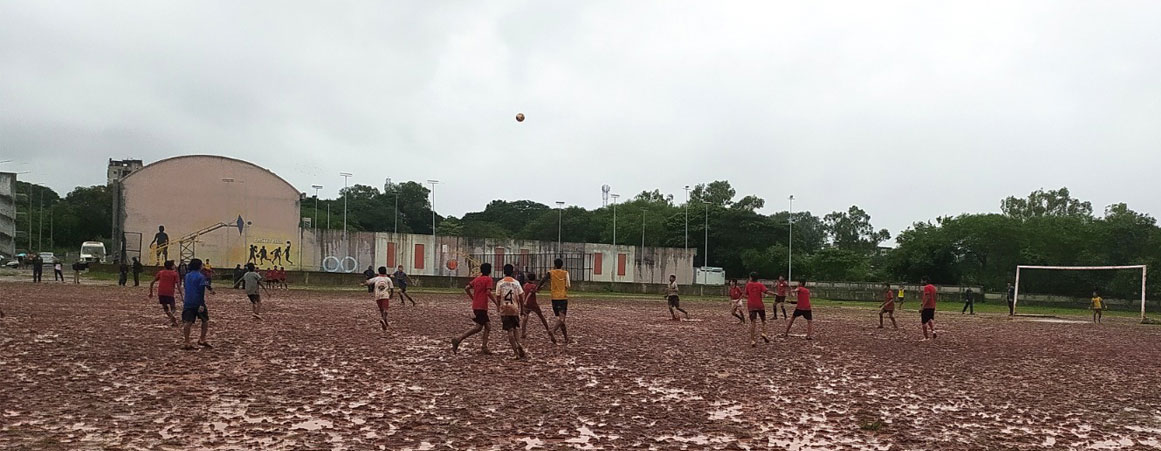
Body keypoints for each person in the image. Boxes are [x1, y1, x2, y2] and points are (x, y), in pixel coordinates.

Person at [453, 263, 497, 354]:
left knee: (485, 326)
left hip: (476, 305)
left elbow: (467, 288)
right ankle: (459, 339)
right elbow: (488, 292)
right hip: (482, 306)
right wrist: (497, 303)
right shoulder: (488, 279)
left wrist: (473, 298)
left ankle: (484, 347)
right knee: (480, 327)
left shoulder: (477, 279)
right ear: (489, 270)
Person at [181, 259, 215, 350]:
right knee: (205, 320)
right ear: (199, 266)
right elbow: (201, 291)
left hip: (188, 301)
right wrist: (201, 304)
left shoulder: (187, 276)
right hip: (198, 301)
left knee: (188, 322)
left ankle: (187, 342)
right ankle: (202, 339)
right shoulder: (201, 277)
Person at [496, 264, 527, 359]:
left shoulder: (500, 283)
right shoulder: (516, 283)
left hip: (505, 308)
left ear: (504, 272)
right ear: (512, 272)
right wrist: (522, 309)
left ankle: (516, 353)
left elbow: (498, 297)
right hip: (514, 308)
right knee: (515, 328)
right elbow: (521, 297)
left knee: (509, 330)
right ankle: (519, 344)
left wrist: (498, 307)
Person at [537, 258, 571, 344]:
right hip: (562, 297)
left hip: (554, 298)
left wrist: (538, 288)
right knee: (562, 319)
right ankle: (552, 331)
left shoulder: (551, 272)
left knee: (561, 319)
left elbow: (543, 280)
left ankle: (566, 338)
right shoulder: (565, 273)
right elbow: (568, 285)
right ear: (562, 265)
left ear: (555, 265)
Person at [520, 272, 555, 343]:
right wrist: (526, 300)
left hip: (527, 305)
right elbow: (531, 293)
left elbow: (534, 291)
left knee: (525, 318)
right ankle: (548, 329)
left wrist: (539, 288)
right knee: (541, 317)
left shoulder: (525, 285)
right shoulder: (533, 285)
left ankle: (523, 333)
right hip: (533, 304)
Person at [148, 260, 182, 327]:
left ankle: (173, 321)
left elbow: (152, 283)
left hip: (161, 292)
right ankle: (172, 317)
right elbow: (178, 285)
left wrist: (151, 293)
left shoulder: (161, 272)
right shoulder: (174, 274)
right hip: (170, 293)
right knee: (173, 308)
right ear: (172, 266)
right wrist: (181, 295)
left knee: (165, 308)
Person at [744, 273, 772, 347]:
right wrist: (774, 294)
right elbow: (766, 291)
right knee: (764, 321)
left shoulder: (748, 285)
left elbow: (746, 294)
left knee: (753, 323)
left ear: (751, 278)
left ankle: (753, 340)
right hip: (760, 305)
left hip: (751, 306)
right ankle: (764, 333)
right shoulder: (760, 285)